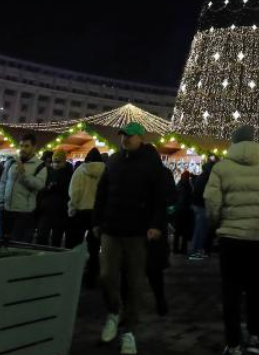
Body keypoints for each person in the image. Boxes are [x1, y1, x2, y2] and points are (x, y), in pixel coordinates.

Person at [91, 122, 171, 355]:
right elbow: (102, 193)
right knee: (106, 275)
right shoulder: (113, 161)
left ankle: (129, 331)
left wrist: (156, 224)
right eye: (123, 135)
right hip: (111, 228)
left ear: (140, 138)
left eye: (130, 136)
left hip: (137, 232)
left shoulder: (151, 163)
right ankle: (114, 312)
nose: (126, 139)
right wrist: (97, 221)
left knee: (135, 283)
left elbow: (159, 198)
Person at [205, 124, 259, 355]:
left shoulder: (221, 168)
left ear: (234, 142)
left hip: (230, 237)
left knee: (231, 291)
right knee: (257, 289)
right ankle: (256, 336)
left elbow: (211, 202)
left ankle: (234, 342)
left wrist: (217, 223)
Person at [142, 143, 178, 316]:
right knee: (154, 270)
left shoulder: (140, 172)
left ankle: (132, 303)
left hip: (141, 225)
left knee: (136, 268)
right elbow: (172, 197)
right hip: (158, 226)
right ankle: (160, 300)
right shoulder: (165, 172)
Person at [0, 133, 47, 243]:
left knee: (18, 245)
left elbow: (39, 185)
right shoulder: (12, 162)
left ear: (34, 147)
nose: (23, 149)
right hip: (6, 210)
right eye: (21, 146)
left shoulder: (40, 166)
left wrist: (24, 175)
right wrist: (0, 202)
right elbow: (3, 182)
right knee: (3, 244)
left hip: (24, 213)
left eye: (26, 146)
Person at [69, 148, 106, 286]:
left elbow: (75, 192)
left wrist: (72, 208)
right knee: (94, 247)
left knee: (76, 244)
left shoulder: (79, 171)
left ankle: (74, 273)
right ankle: (92, 276)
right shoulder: (106, 172)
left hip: (81, 212)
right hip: (97, 213)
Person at [35, 149, 73, 247]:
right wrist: (47, 188)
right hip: (47, 210)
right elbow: (41, 189)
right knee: (42, 237)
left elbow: (69, 192)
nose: (56, 164)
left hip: (60, 212)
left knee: (56, 239)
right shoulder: (48, 173)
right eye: (54, 161)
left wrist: (56, 187)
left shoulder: (69, 175)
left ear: (64, 161)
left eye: (58, 161)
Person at [188, 156, 216, 259]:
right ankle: (196, 251)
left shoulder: (201, 176)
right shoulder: (207, 178)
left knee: (199, 229)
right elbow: (206, 193)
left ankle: (196, 250)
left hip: (197, 205)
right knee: (201, 230)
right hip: (202, 206)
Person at [172, 170, 194, 255]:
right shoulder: (188, 186)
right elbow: (189, 198)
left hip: (178, 210)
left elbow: (175, 196)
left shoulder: (179, 184)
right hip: (186, 211)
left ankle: (175, 249)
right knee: (185, 231)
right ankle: (183, 249)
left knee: (177, 231)